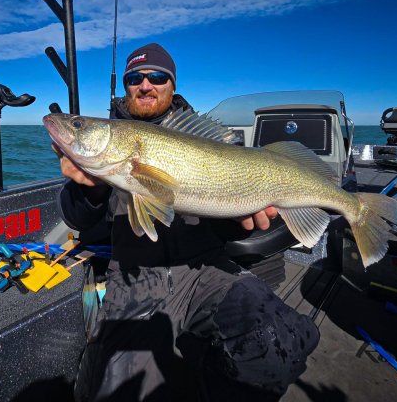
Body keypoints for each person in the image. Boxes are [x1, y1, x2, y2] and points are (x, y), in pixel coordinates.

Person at [53, 43, 319, 401]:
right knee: (120, 392)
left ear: (171, 85)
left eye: (157, 77)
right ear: (127, 86)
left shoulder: (197, 133)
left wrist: (241, 219)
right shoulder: (111, 153)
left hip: (204, 268)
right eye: (135, 78)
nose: (146, 85)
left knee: (280, 339)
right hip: (134, 279)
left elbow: (222, 221)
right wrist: (92, 191)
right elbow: (78, 218)